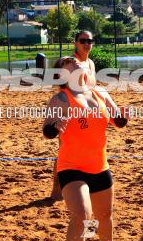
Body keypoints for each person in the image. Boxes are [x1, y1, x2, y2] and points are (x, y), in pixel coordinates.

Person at [42, 56, 131, 241]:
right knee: (82, 215)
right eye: (68, 63)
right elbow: (46, 130)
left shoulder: (101, 94)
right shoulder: (61, 99)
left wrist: (123, 116)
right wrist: (54, 127)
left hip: (99, 165)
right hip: (71, 166)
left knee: (105, 214)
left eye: (76, 62)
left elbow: (118, 122)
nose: (75, 63)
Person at [48, 31, 120, 200]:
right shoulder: (71, 61)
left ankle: (83, 184)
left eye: (90, 40)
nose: (87, 43)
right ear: (75, 43)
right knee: (64, 151)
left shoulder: (90, 63)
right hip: (72, 112)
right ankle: (57, 188)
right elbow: (64, 86)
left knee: (91, 149)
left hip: (91, 113)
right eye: (83, 41)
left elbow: (92, 89)